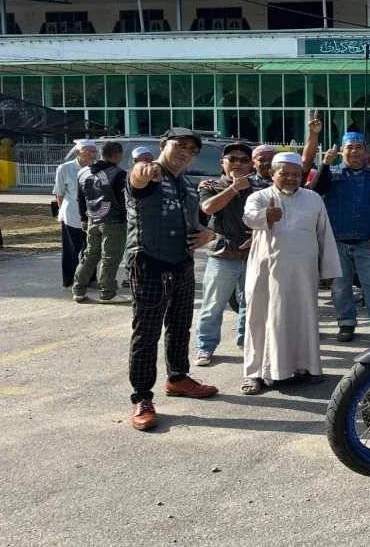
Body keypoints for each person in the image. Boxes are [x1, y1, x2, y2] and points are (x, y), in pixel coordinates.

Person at [124, 128, 217, 431]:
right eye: (180, 146)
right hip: (150, 261)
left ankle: (178, 378)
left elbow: (198, 222)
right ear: (163, 145)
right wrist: (140, 170)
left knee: (180, 325)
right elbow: (137, 179)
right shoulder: (151, 174)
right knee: (147, 332)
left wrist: (208, 234)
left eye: (191, 150)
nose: (185, 153)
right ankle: (141, 397)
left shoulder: (186, 184)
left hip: (181, 264)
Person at [241, 152, 341, 394]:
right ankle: (255, 373)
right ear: (272, 174)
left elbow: (324, 235)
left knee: (302, 317)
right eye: (284, 173)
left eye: (296, 174)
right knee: (261, 319)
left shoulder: (313, 199)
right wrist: (266, 216)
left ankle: (304, 367)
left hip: (303, 273)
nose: (290, 178)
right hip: (267, 273)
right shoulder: (260, 197)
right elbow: (248, 217)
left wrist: (327, 270)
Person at [313, 131, 370, 343]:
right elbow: (315, 190)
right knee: (340, 287)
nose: (354, 151)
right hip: (337, 242)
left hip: (368, 243)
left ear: (366, 151)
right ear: (342, 151)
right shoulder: (331, 173)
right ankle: (346, 324)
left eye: (359, 147)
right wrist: (324, 164)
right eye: (350, 147)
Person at [193, 143, 264, 366]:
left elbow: (270, 217)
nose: (238, 164)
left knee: (250, 303)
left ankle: (245, 343)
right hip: (222, 255)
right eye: (232, 159)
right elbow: (208, 208)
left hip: (253, 254)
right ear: (222, 163)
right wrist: (233, 188)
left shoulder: (260, 187)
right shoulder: (210, 184)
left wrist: (257, 234)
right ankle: (205, 347)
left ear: (251, 163)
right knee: (213, 305)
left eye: (244, 159)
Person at [72, 141, 129, 304]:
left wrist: (83, 218)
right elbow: (124, 200)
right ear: (117, 155)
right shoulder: (119, 174)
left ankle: (78, 290)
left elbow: (80, 198)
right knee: (110, 257)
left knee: (90, 255)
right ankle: (107, 293)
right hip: (114, 221)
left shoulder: (83, 172)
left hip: (92, 218)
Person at [53, 139, 97, 288]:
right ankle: (69, 279)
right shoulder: (65, 168)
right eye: (89, 151)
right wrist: (61, 214)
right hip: (72, 213)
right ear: (78, 153)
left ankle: (90, 277)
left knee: (91, 248)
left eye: (94, 151)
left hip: (93, 214)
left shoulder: (97, 168)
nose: (93, 154)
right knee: (72, 249)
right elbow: (59, 193)